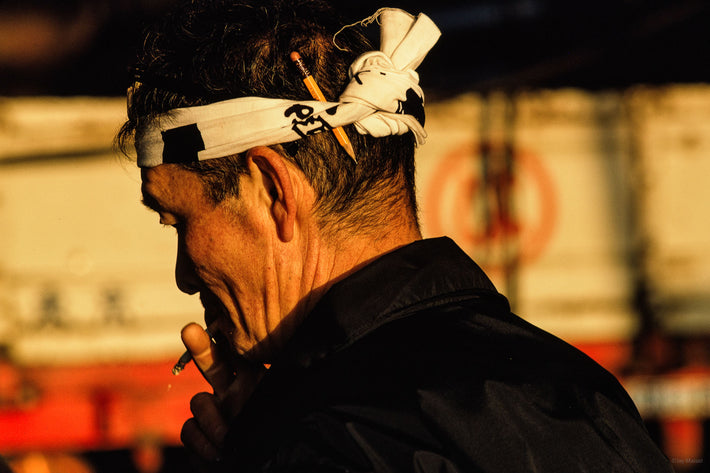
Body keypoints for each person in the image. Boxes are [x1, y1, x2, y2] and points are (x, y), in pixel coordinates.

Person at [119, 0, 674, 471]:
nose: (183, 275)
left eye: (178, 220)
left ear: (273, 191)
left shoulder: (324, 442)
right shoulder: (587, 394)